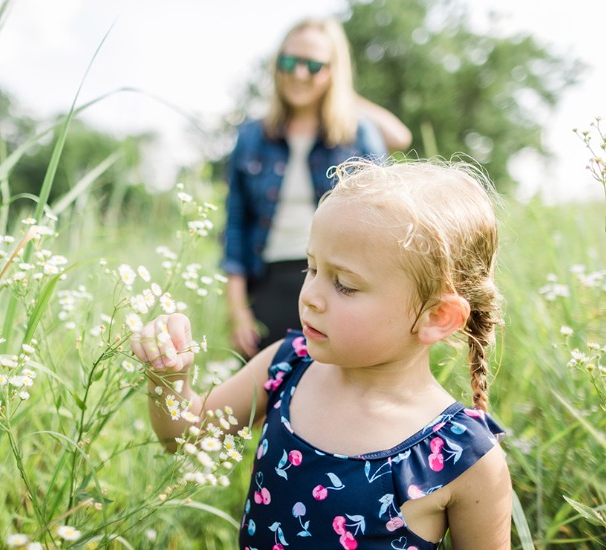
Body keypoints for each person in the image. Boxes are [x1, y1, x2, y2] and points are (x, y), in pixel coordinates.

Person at [132, 157, 513, 549]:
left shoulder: (462, 454)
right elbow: (184, 438)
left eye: (345, 284)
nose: (310, 296)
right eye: (311, 269)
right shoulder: (286, 364)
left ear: (437, 316)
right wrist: (170, 376)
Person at [223, 17, 412, 358]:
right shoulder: (251, 137)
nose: (299, 74)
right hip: (266, 283)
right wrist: (237, 309)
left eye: (313, 65)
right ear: (276, 63)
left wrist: (340, 92)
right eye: (290, 61)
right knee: (261, 400)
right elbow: (236, 226)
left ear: (333, 71)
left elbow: (385, 217)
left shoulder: (357, 134)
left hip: (337, 282)